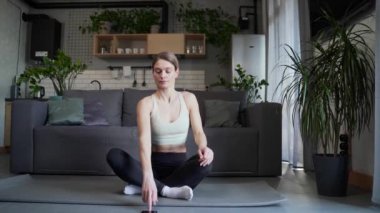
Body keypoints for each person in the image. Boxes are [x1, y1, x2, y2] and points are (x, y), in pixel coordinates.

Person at [107, 51, 214, 210]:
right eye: (158, 71)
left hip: (180, 168)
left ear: (176, 72)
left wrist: (204, 148)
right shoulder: (146, 103)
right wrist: (148, 176)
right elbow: (144, 141)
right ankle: (167, 190)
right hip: (153, 167)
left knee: (206, 164)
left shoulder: (189, 98)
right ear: (153, 73)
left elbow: (198, 133)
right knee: (114, 155)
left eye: (168, 71)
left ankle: (146, 187)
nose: (163, 75)